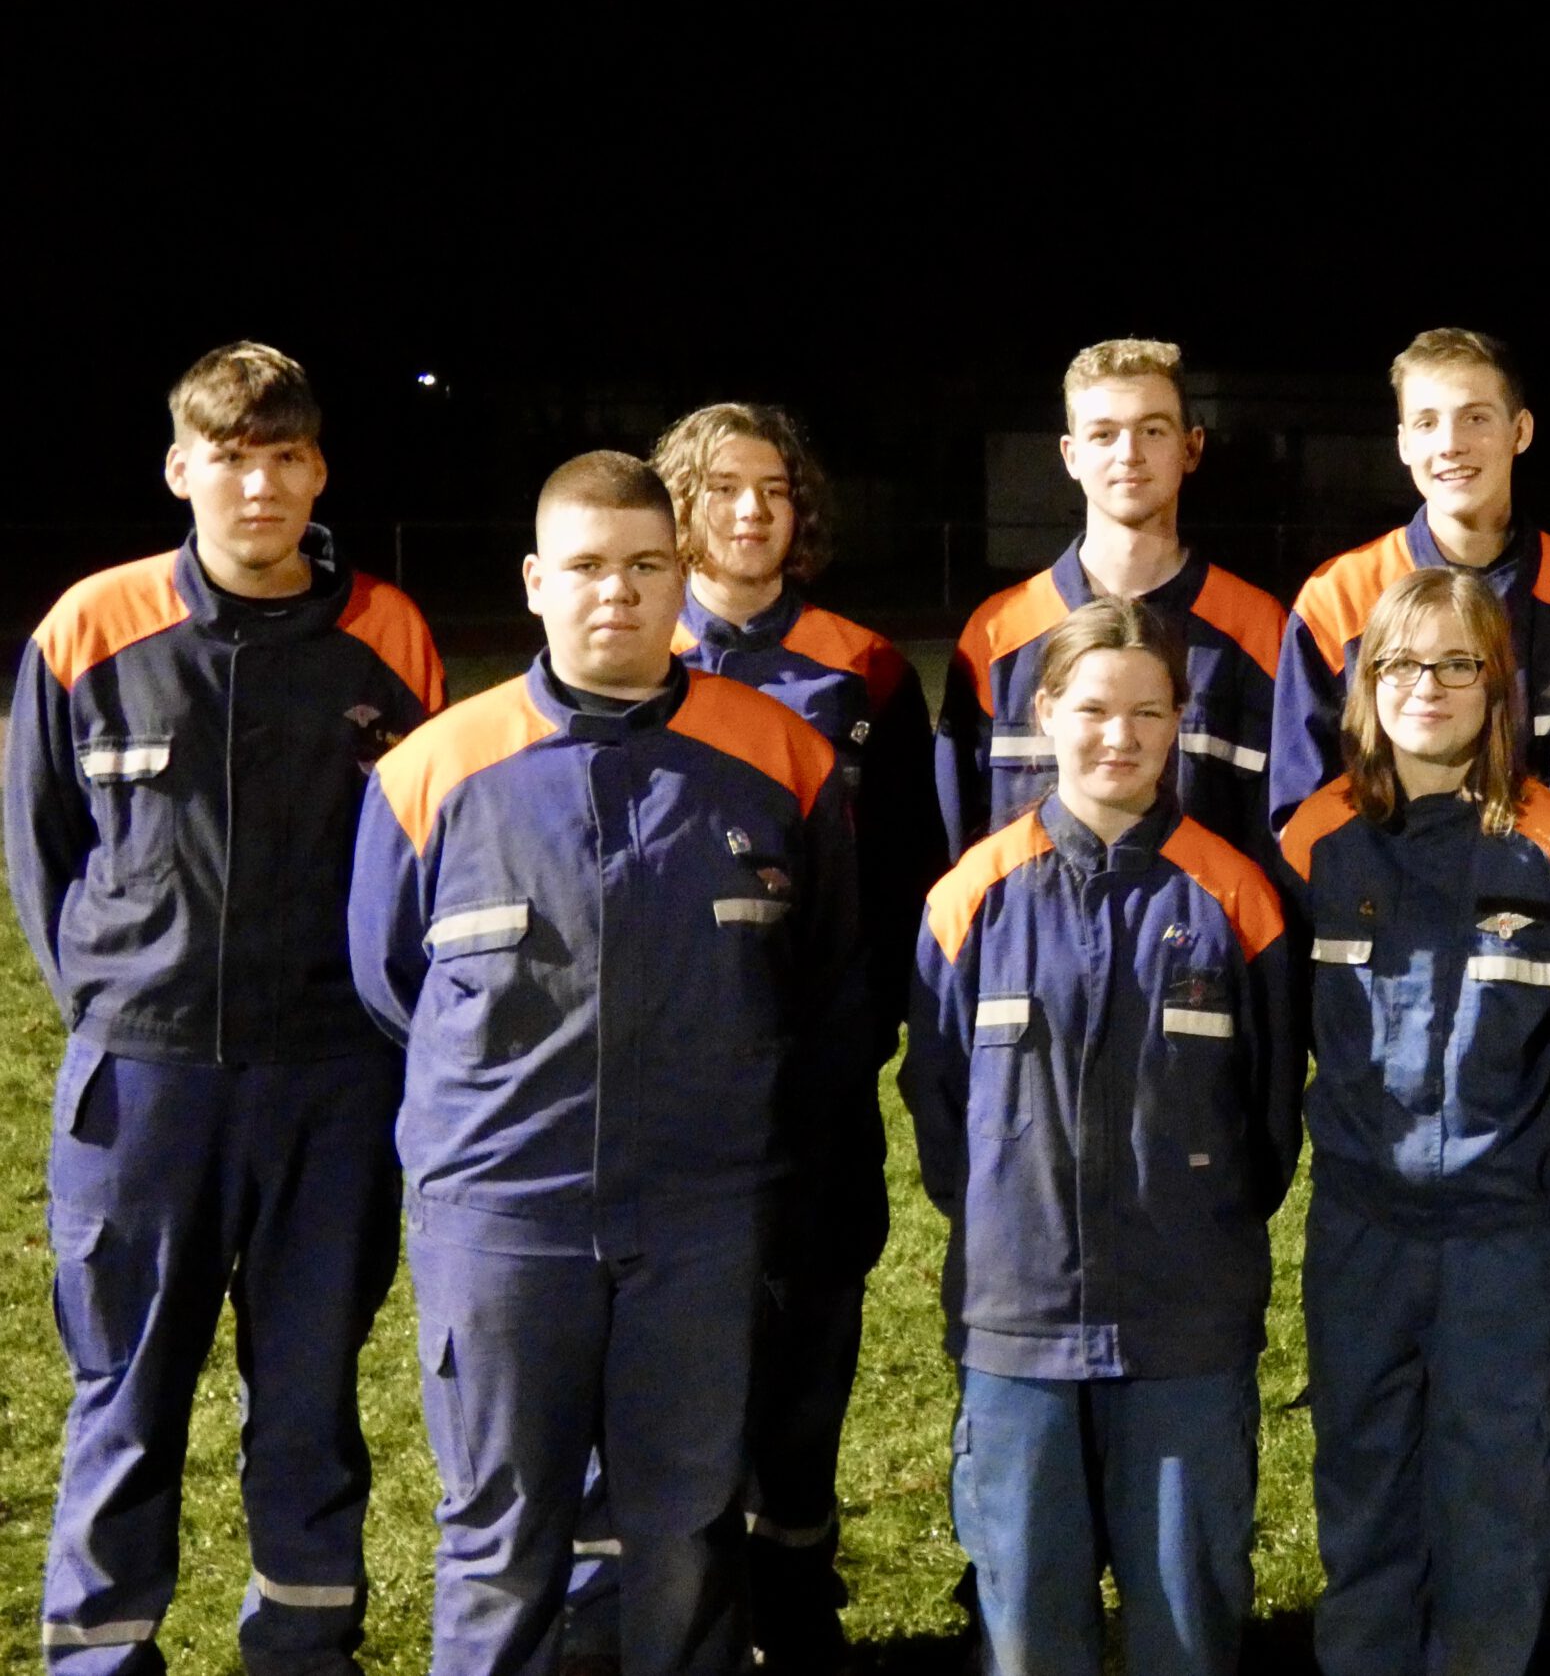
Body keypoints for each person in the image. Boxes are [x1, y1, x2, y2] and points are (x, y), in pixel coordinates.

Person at [348, 452, 860, 1675]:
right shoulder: (435, 769)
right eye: (585, 567)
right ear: (535, 581)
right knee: (500, 1536)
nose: (616, 593)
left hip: (700, 1216)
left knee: (687, 1532)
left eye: (643, 566)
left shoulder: (780, 759)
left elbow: (826, 975)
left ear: (682, 576)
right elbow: (386, 980)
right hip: (503, 1217)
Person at [8, 343, 442, 1673]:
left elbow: (427, 853)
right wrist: (118, 999)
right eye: (232, 458)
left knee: (309, 1399)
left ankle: (303, 1649)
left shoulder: (390, 632)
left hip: (332, 1083)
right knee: (125, 1397)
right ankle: (99, 1654)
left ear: (318, 472)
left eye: (285, 458)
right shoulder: (90, 625)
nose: (259, 485)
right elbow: (41, 851)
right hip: (143, 1090)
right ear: (179, 469)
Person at [561, 403, 943, 1668]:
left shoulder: (865, 669)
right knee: (651, 1367)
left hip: (814, 1088)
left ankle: (793, 1595)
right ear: (675, 508)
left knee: (804, 1353)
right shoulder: (633, 650)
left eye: (774, 489)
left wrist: (849, 1043)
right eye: (722, 488)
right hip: (660, 1097)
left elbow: (905, 883)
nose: (750, 511)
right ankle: (640, 1610)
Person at [902, 597, 1300, 1676]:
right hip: (1017, 1324)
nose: (1119, 736)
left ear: (1180, 721)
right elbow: (937, 1099)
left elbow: (1269, 1118)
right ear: (1043, 713)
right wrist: (1011, 1218)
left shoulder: (1235, 897)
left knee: (1187, 1622)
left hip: (1186, 1326)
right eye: (1092, 709)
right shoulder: (971, 897)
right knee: (1030, 1626)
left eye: (1148, 712)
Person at [1278, 566, 1550, 1675]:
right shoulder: (1313, 841)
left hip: (1508, 1233)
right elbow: (1283, 1027)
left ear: (1499, 686)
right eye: (1401, 663)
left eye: (1458, 664)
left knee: (1498, 1502)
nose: (1427, 686)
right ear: (1366, 684)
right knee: (1363, 1487)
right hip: (1362, 1229)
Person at [1270, 326, 1550, 843]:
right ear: (1404, 443)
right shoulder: (1336, 599)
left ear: (1521, 431)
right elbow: (1303, 824)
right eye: (1427, 423)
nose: (1450, 444)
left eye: (1476, 418)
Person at [935, 338, 1286, 863]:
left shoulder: (1258, 629)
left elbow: (1285, 838)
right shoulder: (999, 632)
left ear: (1191, 448)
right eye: (1103, 434)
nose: (1129, 454)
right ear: (1071, 456)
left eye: (1152, 430)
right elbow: (957, 844)